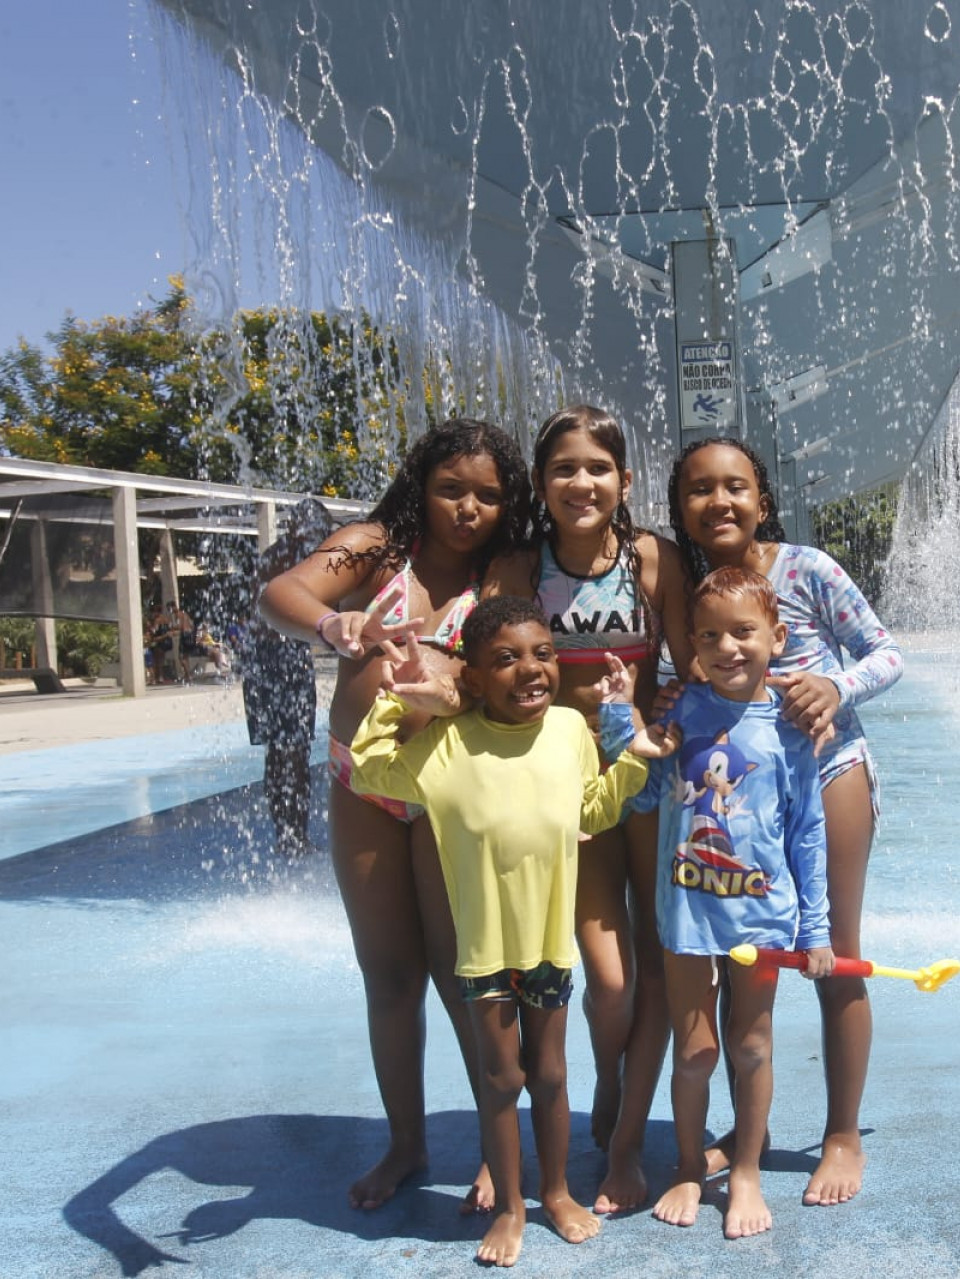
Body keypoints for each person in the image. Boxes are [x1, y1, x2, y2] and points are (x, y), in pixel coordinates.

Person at [344, 597, 675, 1267]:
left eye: (543, 653)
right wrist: (397, 699)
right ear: (470, 675)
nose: (531, 669)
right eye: (507, 658)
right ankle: (510, 1205)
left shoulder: (566, 732)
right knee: (500, 1077)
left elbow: (596, 808)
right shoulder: (446, 744)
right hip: (484, 952)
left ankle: (554, 1191)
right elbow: (369, 769)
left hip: (550, 945)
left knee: (550, 1074)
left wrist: (630, 749)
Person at [258, 418, 530, 1213]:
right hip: (362, 785)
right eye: (451, 488)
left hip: (450, 791)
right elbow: (283, 588)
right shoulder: (375, 548)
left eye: (487, 493)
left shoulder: (502, 567)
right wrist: (331, 621)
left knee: (467, 975)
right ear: (421, 484)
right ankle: (407, 1144)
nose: (469, 507)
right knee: (389, 976)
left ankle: (496, 1147)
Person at [666, 436, 902, 1206]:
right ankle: (749, 1131)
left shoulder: (806, 568)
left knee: (831, 947)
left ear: (762, 499)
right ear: (683, 507)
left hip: (825, 767)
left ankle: (840, 1132)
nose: (719, 501)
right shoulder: (696, 586)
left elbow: (885, 652)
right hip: (742, 795)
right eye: (700, 489)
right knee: (745, 961)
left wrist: (834, 687)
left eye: (735, 486)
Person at [484, 405, 693, 1214]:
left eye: (598, 467)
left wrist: (677, 718)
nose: (582, 482)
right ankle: (610, 1076)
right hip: (562, 792)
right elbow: (486, 670)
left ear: (625, 480)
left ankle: (629, 1142)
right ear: (541, 483)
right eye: (564, 469)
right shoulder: (517, 567)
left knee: (661, 964)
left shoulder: (650, 559)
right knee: (609, 982)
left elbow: (688, 664)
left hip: (642, 778)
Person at [641, 567, 833, 1239]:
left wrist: (817, 928)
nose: (729, 647)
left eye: (744, 631)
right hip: (689, 918)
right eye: (712, 635)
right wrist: (631, 731)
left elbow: (808, 830)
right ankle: (691, 1164)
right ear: (692, 644)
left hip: (763, 918)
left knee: (751, 1045)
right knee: (694, 1051)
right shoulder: (680, 711)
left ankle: (745, 1168)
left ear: (776, 637)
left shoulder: (788, 728)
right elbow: (641, 798)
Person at [243, 500, 334, 853]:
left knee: (281, 753)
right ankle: (293, 836)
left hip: (267, 659)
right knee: (291, 752)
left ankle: (288, 835)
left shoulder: (278, 555)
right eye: (317, 530)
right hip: (279, 659)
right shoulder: (292, 559)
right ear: (300, 527)